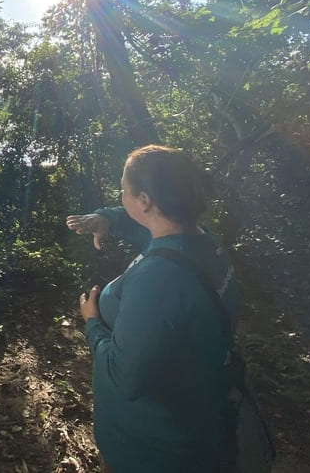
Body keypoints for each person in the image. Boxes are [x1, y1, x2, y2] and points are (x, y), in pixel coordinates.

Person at [67, 145, 241, 473]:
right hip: (196, 423)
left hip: (149, 450)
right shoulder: (204, 243)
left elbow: (125, 378)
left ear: (144, 200)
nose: (122, 195)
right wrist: (106, 219)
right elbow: (147, 227)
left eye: (123, 190)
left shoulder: (158, 278)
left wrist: (92, 322)